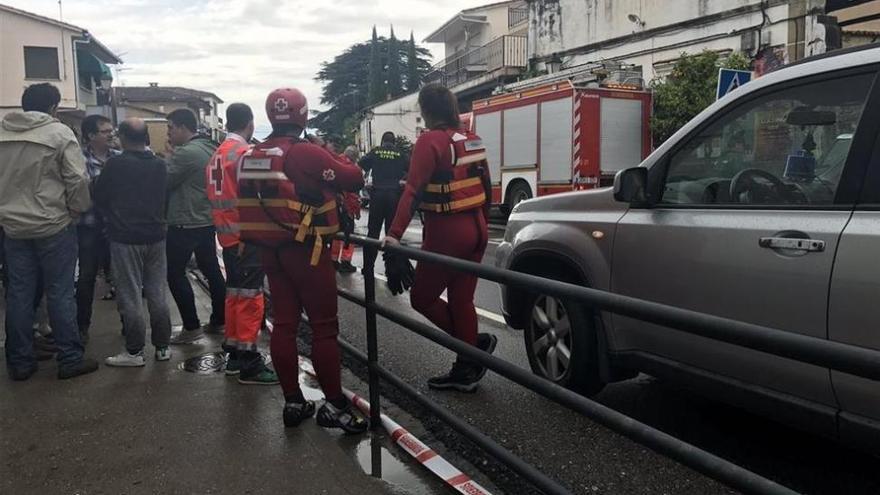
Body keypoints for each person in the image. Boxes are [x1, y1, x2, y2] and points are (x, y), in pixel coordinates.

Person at [237, 87, 367, 432]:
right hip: (306, 250)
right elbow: (354, 177)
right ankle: (335, 406)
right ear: (303, 115)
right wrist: (332, 155)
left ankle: (294, 402)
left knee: (284, 323)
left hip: (269, 251)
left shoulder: (253, 153)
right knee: (324, 328)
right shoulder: (306, 153)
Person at [383, 84, 497, 392]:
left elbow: (412, 191)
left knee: (422, 298)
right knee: (462, 300)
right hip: (477, 228)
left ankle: (472, 349)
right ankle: (468, 363)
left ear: (426, 111)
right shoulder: (471, 139)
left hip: (448, 231)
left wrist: (393, 235)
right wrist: (483, 223)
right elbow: (486, 185)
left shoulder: (429, 141)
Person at [0, 83, 98, 381]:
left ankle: (19, 361)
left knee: (18, 293)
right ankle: (69, 358)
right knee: (60, 291)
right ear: (54, 107)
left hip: (13, 227)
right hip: (54, 224)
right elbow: (77, 179)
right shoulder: (59, 133)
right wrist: (77, 209)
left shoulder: (3, 134)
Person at [205, 103, 279, 385]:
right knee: (250, 297)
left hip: (226, 235)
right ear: (249, 123)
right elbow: (266, 192)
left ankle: (235, 354)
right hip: (247, 235)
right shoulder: (244, 155)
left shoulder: (217, 155)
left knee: (235, 294)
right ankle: (249, 362)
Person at [94, 119, 173, 366]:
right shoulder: (161, 165)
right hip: (156, 235)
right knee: (157, 292)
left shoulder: (115, 164)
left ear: (124, 138)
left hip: (125, 237)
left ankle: (135, 351)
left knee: (130, 295)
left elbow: (99, 196)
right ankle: (162, 347)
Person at [164, 109, 226, 344]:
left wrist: (169, 157)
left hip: (184, 221)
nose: (169, 133)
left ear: (182, 127)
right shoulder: (212, 148)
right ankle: (220, 320)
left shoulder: (186, 153)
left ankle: (191, 327)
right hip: (207, 217)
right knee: (211, 269)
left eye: (171, 128)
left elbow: (166, 181)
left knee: (174, 272)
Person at [76, 114, 120, 343]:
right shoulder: (77, 160)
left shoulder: (120, 159)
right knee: (86, 278)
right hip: (89, 227)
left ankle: (129, 325)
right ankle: (81, 328)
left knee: (121, 278)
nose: (111, 134)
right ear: (91, 135)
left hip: (115, 228)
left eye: (111, 130)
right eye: (105, 131)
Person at [358, 131, 408, 274]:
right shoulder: (400, 153)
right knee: (391, 235)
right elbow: (412, 168)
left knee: (373, 233)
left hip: (377, 195)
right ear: (394, 142)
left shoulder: (376, 152)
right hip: (394, 195)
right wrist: (402, 180)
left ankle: (368, 268)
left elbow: (361, 164)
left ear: (382, 141)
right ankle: (391, 270)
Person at [329, 144, 360, 274]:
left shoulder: (334, 162)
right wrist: (355, 211)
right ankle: (345, 263)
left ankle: (333, 261)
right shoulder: (351, 169)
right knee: (349, 236)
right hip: (346, 208)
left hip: (333, 207)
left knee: (336, 235)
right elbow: (352, 194)